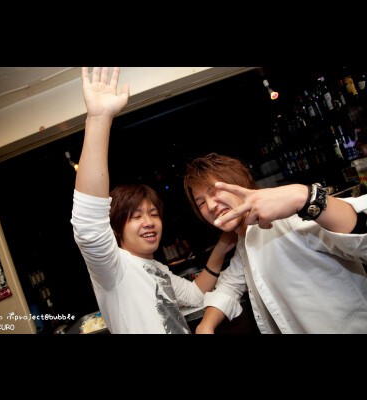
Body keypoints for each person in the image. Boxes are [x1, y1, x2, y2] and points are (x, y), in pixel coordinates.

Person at [71, 68, 236, 334]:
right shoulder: (114, 267)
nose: (149, 222)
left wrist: (222, 247)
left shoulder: (156, 268)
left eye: (153, 214)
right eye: (136, 216)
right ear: (117, 228)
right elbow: (89, 225)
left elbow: (195, 294)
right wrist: (99, 119)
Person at [183, 152, 367, 334]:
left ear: (238, 184)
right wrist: (205, 326)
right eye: (201, 203)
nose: (211, 206)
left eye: (214, 192)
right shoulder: (244, 243)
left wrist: (304, 197)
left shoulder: (285, 218)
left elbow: (361, 238)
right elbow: (229, 286)